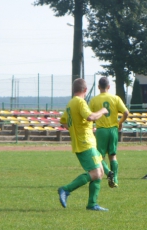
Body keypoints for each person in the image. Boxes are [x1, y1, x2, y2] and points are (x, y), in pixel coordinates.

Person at [58, 78, 109, 211]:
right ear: (85, 90)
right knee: (96, 173)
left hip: (83, 142)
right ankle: (65, 189)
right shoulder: (80, 102)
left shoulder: (70, 103)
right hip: (85, 143)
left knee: (100, 172)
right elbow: (90, 117)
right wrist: (103, 111)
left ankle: (92, 204)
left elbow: (63, 121)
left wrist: (76, 129)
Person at [89, 77, 129, 188]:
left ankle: (108, 173)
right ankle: (115, 179)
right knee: (113, 155)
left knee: (99, 157)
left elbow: (89, 115)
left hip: (101, 130)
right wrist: (120, 122)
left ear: (98, 87)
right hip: (113, 130)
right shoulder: (115, 98)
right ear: (109, 86)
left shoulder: (94, 100)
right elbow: (126, 113)